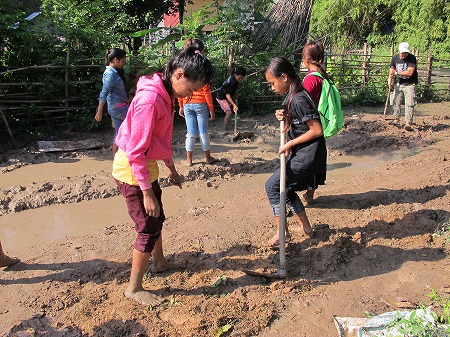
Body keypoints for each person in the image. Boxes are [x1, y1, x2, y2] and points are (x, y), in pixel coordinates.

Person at [112, 47, 214, 306]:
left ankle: (159, 262)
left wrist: (172, 169)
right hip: (133, 170)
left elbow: (159, 140)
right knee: (147, 227)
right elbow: (136, 151)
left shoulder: (166, 94)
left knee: (157, 217)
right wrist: (146, 192)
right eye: (191, 89)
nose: (192, 96)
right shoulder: (151, 100)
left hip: (147, 167)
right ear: (179, 75)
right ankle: (134, 288)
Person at [264, 56, 327, 247]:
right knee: (286, 187)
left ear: (283, 77)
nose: (272, 87)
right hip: (306, 154)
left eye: (272, 83)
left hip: (307, 155)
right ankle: (306, 228)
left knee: (273, 186)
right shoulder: (294, 96)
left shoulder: (299, 99)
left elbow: (317, 129)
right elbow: (298, 122)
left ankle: (281, 232)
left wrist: (290, 145)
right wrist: (283, 115)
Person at [178, 38, 218, 166]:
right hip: (201, 104)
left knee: (190, 133)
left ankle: (189, 160)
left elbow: (179, 87)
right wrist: (211, 110)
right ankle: (208, 157)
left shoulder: (183, 64)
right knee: (203, 132)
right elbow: (206, 91)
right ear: (202, 50)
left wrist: (181, 105)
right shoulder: (202, 65)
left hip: (187, 102)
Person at [300, 41, 329, 205]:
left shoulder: (311, 80)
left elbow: (303, 104)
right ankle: (310, 193)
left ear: (305, 60)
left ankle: (295, 196)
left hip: (309, 125)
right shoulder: (323, 76)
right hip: (319, 122)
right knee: (315, 158)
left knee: (304, 159)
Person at [95, 48, 130, 154]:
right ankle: (132, 158)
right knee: (135, 127)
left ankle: (117, 164)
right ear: (115, 59)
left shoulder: (111, 72)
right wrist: (100, 110)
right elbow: (104, 92)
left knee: (118, 134)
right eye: (122, 61)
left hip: (115, 108)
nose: (123, 63)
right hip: (119, 108)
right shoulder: (111, 74)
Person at [388, 42, 418, 131]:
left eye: (405, 53)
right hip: (400, 83)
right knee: (395, 101)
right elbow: (392, 69)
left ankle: (408, 122)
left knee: (409, 103)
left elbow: (409, 72)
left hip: (410, 84)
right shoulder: (395, 58)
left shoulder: (412, 58)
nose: (404, 55)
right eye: (402, 53)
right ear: (399, 51)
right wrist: (390, 79)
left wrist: (397, 73)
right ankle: (396, 119)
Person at [216, 66, 246, 131]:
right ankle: (224, 130)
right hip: (221, 97)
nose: (240, 80)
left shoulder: (235, 79)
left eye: (242, 78)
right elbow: (227, 95)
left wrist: (233, 99)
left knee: (229, 112)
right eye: (239, 78)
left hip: (226, 96)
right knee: (229, 112)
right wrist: (234, 104)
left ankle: (225, 126)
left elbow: (233, 91)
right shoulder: (232, 82)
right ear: (236, 74)